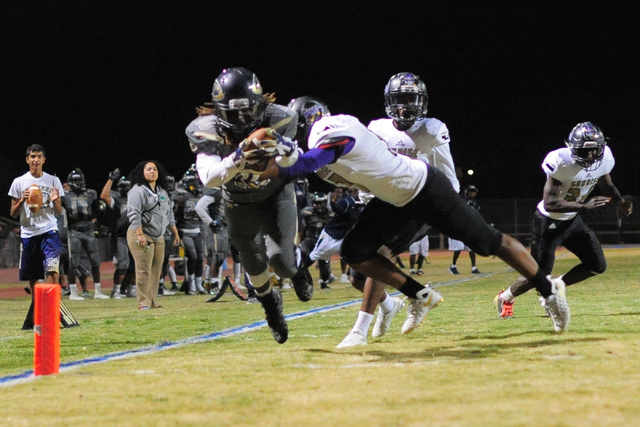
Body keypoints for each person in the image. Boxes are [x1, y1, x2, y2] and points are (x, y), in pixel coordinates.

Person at [258, 97, 570, 346]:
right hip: (394, 198)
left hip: (423, 188)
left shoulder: (333, 127)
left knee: (488, 242)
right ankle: (420, 295)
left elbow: (312, 160)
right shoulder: (330, 137)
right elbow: (346, 171)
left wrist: (261, 169)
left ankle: (549, 290)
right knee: (355, 251)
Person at [186, 67, 314, 344]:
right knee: (254, 264)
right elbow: (209, 178)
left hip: (274, 195)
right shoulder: (204, 130)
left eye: (247, 111)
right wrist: (240, 154)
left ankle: (298, 268)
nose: (242, 118)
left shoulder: (281, 119)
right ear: (218, 111)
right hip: (238, 201)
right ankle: (271, 308)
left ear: (260, 105)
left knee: (282, 263)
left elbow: (295, 163)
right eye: (234, 113)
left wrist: (285, 149)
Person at [339, 72, 461, 345]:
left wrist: (443, 209)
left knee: (381, 254)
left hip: (419, 206)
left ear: (422, 102)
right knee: (356, 274)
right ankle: (389, 305)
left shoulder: (431, 130)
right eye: (400, 100)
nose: (405, 106)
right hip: (384, 204)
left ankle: (358, 331)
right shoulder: (378, 128)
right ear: (389, 102)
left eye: (411, 99)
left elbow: (449, 178)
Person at [494, 122, 633, 319]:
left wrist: (620, 202)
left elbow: (606, 184)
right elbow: (550, 202)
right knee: (538, 274)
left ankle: (556, 287)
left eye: (594, 150)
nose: (591, 156)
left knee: (597, 265)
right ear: (572, 148)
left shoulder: (605, 159)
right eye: (585, 152)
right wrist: (584, 206)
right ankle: (505, 297)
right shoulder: (561, 161)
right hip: (548, 223)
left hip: (571, 220)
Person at [8, 144, 65, 330]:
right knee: (33, 277)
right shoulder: (19, 182)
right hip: (29, 233)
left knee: (52, 270)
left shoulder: (53, 180)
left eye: (39, 156)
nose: (35, 159)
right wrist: (22, 200)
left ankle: (52, 309)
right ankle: (39, 311)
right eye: (32, 156)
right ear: (27, 159)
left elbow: (59, 211)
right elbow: (13, 213)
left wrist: (56, 200)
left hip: (49, 231)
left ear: (44, 160)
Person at [126, 160, 180, 310]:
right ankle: (143, 302)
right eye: (148, 169)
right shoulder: (137, 191)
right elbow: (133, 213)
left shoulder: (162, 192)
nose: (152, 172)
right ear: (142, 173)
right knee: (143, 269)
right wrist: (140, 234)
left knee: (157, 270)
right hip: (142, 234)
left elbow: (169, 215)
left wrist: (175, 233)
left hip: (159, 236)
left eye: (155, 169)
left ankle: (152, 301)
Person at [61, 168, 109, 299]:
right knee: (73, 262)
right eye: (75, 180)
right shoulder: (64, 196)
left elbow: (97, 211)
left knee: (95, 261)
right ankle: (73, 292)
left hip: (88, 230)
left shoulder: (91, 193)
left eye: (79, 180)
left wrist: (100, 222)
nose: (77, 183)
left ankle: (98, 291)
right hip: (74, 231)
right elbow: (58, 210)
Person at [173, 167, 207, 295]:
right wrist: (178, 206)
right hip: (185, 230)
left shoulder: (200, 194)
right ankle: (191, 284)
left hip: (197, 229)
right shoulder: (179, 194)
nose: (194, 185)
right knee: (192, 255)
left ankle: (199, 284)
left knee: (199, 258)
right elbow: (173, 212)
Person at [100, 169, 132, 299]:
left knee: (136, 265)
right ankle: (116, 290)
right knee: (123, 265)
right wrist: (111, 180)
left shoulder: (135, 198)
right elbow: (104, 196)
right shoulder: (116, 198)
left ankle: (132, 289)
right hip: (121, 236)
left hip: (135, 235)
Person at [299, 192, 333, 289]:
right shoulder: (308, 213)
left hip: (323, 242)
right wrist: (301, 242)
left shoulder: (330, 214)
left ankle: (324, 282)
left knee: (324, 265)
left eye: (320, 203)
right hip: (310, 239)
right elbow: (304, 228)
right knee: (302, 254)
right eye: (316, 203)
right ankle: (301, 278)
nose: (318, 205)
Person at [448, 185, 482, 275]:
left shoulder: (476, 204)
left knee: (472, 247)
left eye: (474, 191)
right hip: (459, 227)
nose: (472, 193)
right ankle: (453, 266)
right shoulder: (461, 201)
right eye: (471, 191)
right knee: (459, 247)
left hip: (469, 227)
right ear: (467, 192)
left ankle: (474, 268)